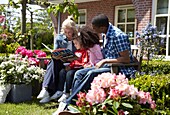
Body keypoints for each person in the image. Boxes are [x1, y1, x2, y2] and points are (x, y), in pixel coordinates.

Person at [54, 14, 136, 114]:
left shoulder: (118, 36)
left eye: (94, 28)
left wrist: (105, 61)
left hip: (118, 69)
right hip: (106, 66)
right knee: (79, 73)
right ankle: (77, 103)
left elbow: (126, 59)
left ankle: (69, 104)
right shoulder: (106, 33)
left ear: (102, 27)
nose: (93, 30)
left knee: (91, 73)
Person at [52, 26, 103, 103]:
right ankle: (62, 91)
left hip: (90, 68)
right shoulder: (88, 48)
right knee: (63, 71)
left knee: (73, 74)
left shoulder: (93, 48)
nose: (75, 45)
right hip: (86, 67)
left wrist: (89, 65)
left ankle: (71, 95)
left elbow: (99, 60)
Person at [37, 16, 77, 103]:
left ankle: (47, 91)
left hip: (73, 63)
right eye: (65, 32)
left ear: (73, 30)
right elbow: (55, 52)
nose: (67, 34)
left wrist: (71, 59)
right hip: (60, 62)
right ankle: (45, 89)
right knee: (53, 61)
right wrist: (56, 56)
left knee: (57, 68)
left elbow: (80, 54)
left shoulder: (77, 39)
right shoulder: (59, 38)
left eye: (69, 32)